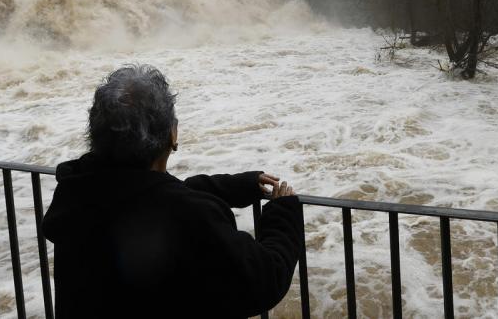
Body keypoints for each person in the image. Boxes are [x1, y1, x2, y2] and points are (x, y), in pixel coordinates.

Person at [43, 65, 303, 318]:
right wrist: (282, 215)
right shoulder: (188, 216)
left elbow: (145, 193)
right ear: (172, 134)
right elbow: (263, 280)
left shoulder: (76, 192)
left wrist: (231, 187)